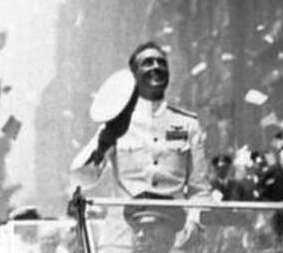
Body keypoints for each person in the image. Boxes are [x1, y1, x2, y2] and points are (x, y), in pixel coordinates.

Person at [79, 42, 210, 199]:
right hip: (125, 221)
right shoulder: (115, 123)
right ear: (134, 75)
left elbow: (200, 189)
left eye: (161, 63)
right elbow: (83, 179)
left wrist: (193, 223)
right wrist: (101, 147)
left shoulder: (188, 125)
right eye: (147, 63)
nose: (156, 67)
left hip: (175, 221)